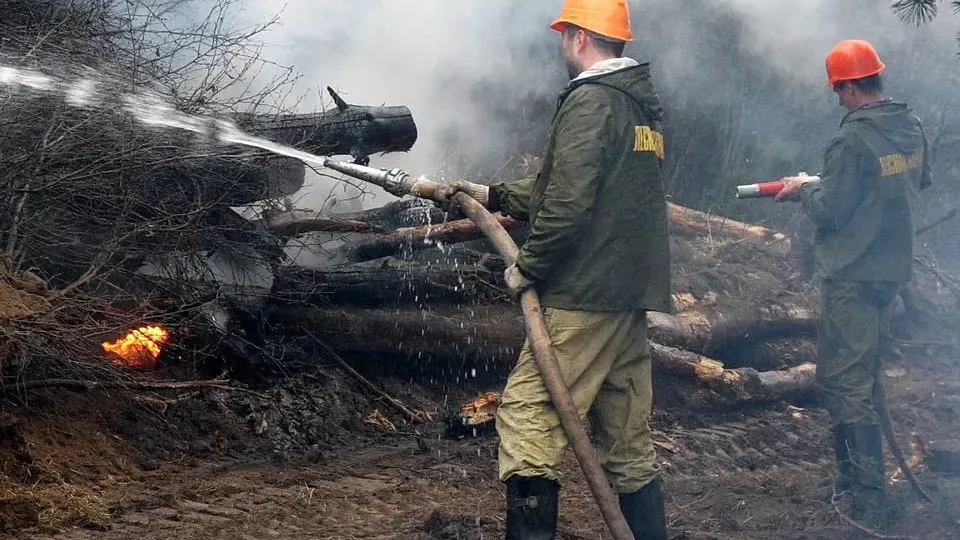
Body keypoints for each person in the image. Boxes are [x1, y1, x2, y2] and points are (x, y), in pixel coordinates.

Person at [442, 0, 671, 537]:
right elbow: (584, 190)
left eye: (563, 35)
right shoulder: (638, 106)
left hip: (584, 294)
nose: (561, 46)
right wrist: (493, 193)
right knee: (627, 440)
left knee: (527, 420)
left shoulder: (590, 102)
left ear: (578, 37)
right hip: (627, 294)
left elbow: (567, 205)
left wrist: (530, 266)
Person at [775, 39, 932, 528]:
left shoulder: (851, 139)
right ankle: (854, 488)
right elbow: (908, 186)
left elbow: (832, 211)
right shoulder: (910, 127)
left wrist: (806, 190)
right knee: (859, 377)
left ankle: (865, 500)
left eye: (838, 91)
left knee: (844, 384)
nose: (838, 99)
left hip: (853, 274)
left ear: (848, 85)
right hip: (889, 271)